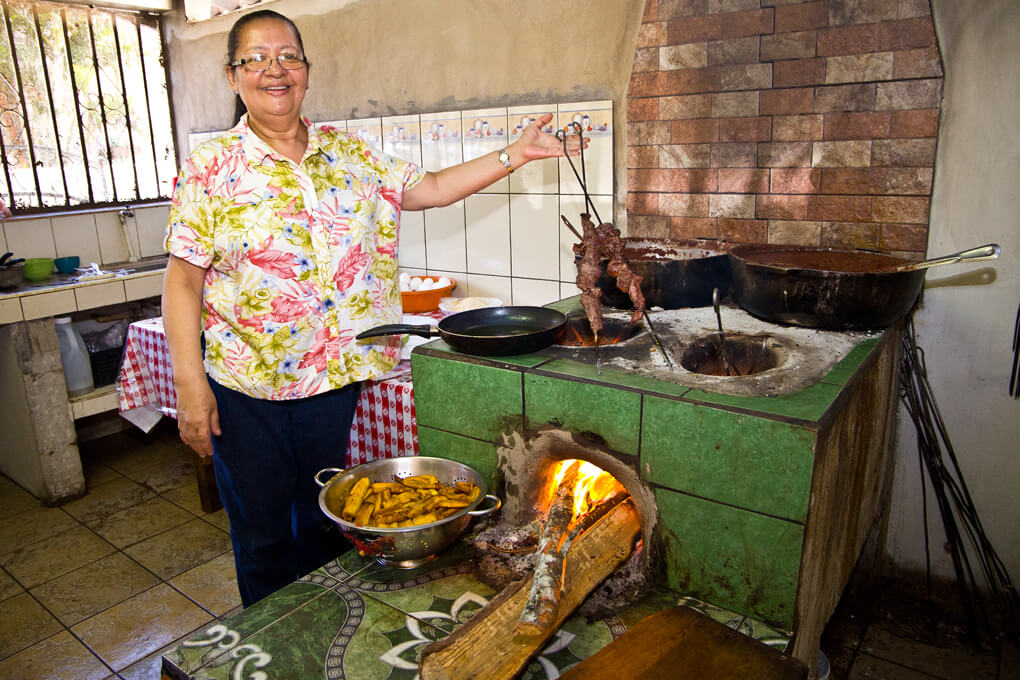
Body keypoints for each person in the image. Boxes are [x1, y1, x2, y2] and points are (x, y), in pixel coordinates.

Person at [162, 9, 585, 607]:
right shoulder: (210, 169)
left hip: (333, 381)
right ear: (234, 77)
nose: (273, 70)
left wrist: (512, 155)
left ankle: (320, 625)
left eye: (288, 56)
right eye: (255, 59)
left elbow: (430, 188)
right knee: (262, 537)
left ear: (306, 70)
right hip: (245, 387)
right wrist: (190, 387)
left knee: (324, 522)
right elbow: (182, 283)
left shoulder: (349, 154)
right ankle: (265, 649)